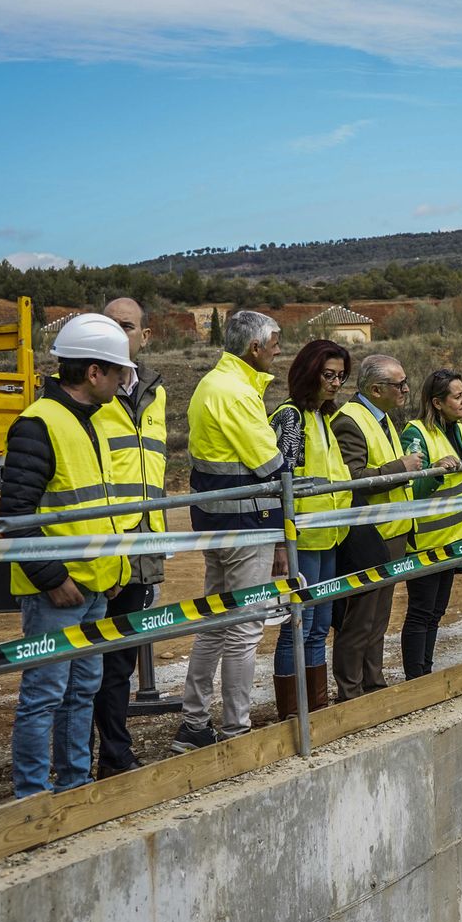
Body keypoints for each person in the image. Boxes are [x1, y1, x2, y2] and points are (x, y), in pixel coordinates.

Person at [1, 315, 133, 797]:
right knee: (44, 697)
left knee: (81, 693)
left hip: (95, 585)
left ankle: (74, 788)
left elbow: (96, 505)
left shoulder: (88, 421)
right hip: (58, 591)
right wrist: (50, 577)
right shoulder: (38, 424)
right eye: (118, 372)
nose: (123, 382)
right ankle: (31, 798)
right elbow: (14, 515)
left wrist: (115, 568)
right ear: (94, 372)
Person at [174, 311, 285, 752]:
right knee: (244, 627)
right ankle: (237, 730)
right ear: (255, 347)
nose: (278, 349)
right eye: (275, 342)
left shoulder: (212, 384)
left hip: (217, 522)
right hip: (245, 523)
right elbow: (271, 466)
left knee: (215, 625)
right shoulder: (235, 392)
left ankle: (194, 722)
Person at [90, 298, 166, 779]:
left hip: (146, 547)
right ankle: (103, 759)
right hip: (104, 549)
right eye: (112, 326)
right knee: (89, 666)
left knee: (122, 661)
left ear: (145, 336)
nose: (121, 334)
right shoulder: (91, 394)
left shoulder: (156, 394)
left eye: (128, 327)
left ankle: (113, 754)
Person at [268, 339, 353, 715]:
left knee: (319, 625)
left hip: (329, 536)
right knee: (296, 627)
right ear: (309, 373)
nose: (335, 383)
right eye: (328, 375)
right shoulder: (291, 417)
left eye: (341, 376)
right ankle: (293, 712)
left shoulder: (324, 417)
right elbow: (277, 482)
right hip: (301, 538)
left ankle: (314, 708)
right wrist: (280, 544)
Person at [332, 355, 423, 698]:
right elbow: (351, 479)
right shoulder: (350, 421)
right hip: (368, 537)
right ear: (375, 389)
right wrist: (400, 467)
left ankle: (373, 684)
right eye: (399, 384)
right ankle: (351, 691)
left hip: (392, 533)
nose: (405, 389)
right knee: (359, 622)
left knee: (378, 621)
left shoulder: (384, 419)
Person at [399, 370, 462, 676]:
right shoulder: (415, 432)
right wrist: (435, 470)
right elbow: (414, 490)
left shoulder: (457, 430)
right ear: (437, 402)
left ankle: (425, 671)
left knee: (435, 612)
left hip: (453, 539)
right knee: (420, 612)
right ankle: (415, 679)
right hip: (426, 542)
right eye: (457, 396)